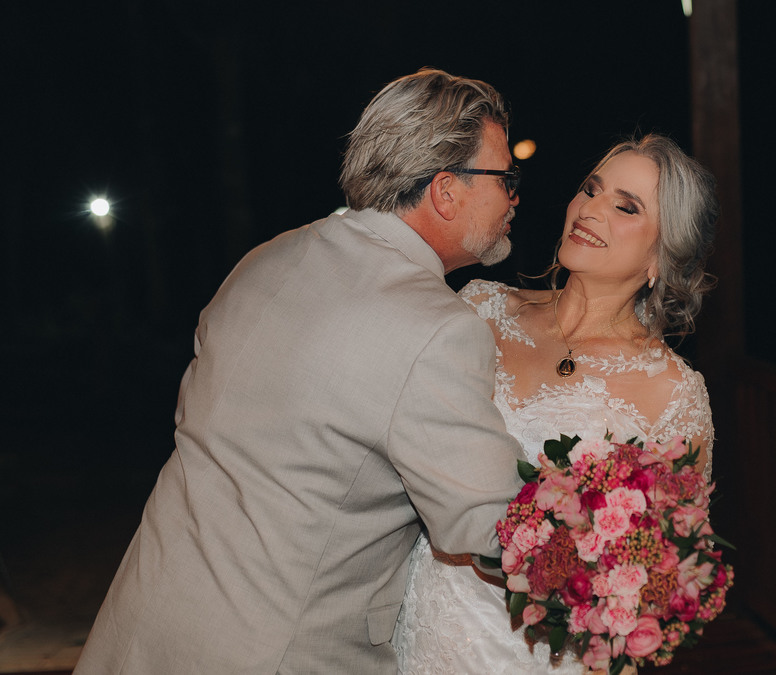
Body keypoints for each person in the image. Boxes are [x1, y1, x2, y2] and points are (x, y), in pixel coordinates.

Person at [74, 68, 527, 674]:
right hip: (275, 655)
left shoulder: (265, 259)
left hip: (144, 623)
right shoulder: (436, 327)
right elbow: (492, 527)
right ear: (446, 191)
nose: (514, 197)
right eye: (505, 177)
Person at [393, 134, 719, 674]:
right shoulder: (479, 307)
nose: (590, 209)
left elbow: (661, 583)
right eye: (591, 189)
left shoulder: (672, 392)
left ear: (662, 256)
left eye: (626, 207)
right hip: (422, 623)